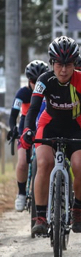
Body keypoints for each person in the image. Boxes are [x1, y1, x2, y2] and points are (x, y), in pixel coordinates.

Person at [19, 37, 81, 235]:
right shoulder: (44, 80)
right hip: (49, 124)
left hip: (75, 125)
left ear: (75, 64)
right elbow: (33, 109)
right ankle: (41, 216)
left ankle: (77, 210)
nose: (63, 70)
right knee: (44, 163)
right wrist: (27, 130)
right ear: (52, 63)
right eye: (59, 65)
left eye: (68, 65)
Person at [8, 60, 50, 211]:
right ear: (29, 81)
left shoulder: (49, 90)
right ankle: (21, 193)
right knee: (22, 162)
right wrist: (13, 129)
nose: (35, 84)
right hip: (26, 124)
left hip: (43, 124)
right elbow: (13, 115)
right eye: (33, 81)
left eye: (39, 80)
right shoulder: (23, 93)